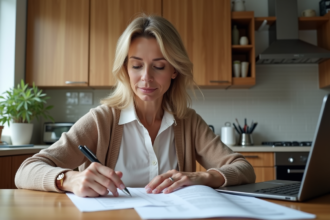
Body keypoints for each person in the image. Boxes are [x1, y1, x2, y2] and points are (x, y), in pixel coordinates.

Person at [15, 15, 255, 197]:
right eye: (137, 65)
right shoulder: (102, 120)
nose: (146, 78)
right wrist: (68, 180)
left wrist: (204, 177)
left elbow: (244, 168)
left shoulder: (188, 121)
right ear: (125, 69)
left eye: (159, 66)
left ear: (174, 70)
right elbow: (26, 170)